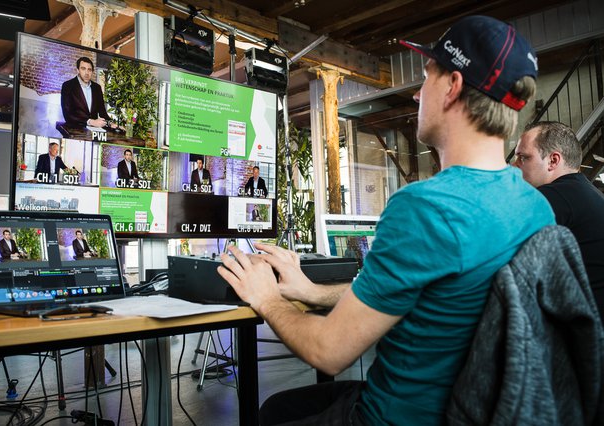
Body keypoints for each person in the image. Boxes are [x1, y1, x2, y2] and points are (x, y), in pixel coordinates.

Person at [217, 16, 555, 425]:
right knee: (279, 407)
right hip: (480, 409)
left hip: (396, 416)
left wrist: (266, 296)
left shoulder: (426, 207)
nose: (417, 96)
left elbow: (328, 351)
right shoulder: (535, 206)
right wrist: (310, 290)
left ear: (453, 87)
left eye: (427, 76)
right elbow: (422, 296)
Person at [514, 121, 604, 321]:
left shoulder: (554, 196)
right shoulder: (582, 190)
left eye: (523, 158)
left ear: (553, 161)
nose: (514, 166)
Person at [61, 57, 115, 129]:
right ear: (78, 70)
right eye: (83, 69)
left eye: (89, 70)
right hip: (74, 131)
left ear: (92, 71)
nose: (86, 73)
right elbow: (67, 114)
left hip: (94, 133)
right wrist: (90, 121)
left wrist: (111, 124)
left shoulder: (97, 88)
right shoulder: (68, 85)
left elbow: (103, 113)